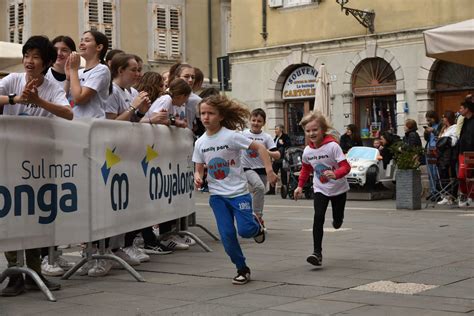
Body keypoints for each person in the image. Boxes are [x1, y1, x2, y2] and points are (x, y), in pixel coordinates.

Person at [0, 35, 72, 296]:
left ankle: (34, 271)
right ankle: (14, 272)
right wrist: (14, 100)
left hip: (39, 165)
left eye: (36, 57)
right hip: (9, 161)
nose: (29, 61)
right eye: (27, 55)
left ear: (47, 62)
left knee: (37, 215)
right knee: (10, 213)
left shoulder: (53, 87)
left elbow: (69, 113)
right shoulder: (12, 80)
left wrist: (39, 101)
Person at [193, 95, 277, 284]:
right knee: (227, 236)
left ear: (221, 115)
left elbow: (261, 149)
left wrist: (269, 170)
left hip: (238, 192)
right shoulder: (200, 143)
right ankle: (242, 268)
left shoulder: (231, 136)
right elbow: (198, 168)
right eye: (202, 113)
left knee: (246, 231)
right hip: (217, 197)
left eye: (210, 113)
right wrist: (197, 177)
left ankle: (256, 227)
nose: (205, 117)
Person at [294, 111, 350, 267]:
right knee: (318, 217)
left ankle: (338, 220)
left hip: (338, 188)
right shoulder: (307, 151)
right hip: (320, 189)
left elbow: (346, 167)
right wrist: (299, 186)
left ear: (322, 130)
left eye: (315, 130)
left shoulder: (333, 146)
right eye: (308, 131)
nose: (311, 133)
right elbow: (306, 169)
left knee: (337, 220)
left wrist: (336, 173)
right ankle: (316, 253)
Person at [242, 108, 280, 228]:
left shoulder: (266, 137)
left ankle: (257, 218)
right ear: (249, 120)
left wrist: (264, 151)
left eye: (259, 121)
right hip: (246, 168)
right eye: (253, 120)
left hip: (262, 170)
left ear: (263, 123)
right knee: (258, 187)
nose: (256, 123)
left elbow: (277, 155)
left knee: (259, 192)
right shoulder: (243, 134)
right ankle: (257, 216)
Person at [65, 30, 111, 119]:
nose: (81, 44)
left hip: (92, 124)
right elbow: (63, 99)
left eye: (87, 40)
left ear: (99, 47)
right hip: (75, 122)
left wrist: (73, 70)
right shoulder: (79, 72)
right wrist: (68, 78)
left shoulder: (102, 69)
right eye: (81, 40)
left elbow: (79, 99)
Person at [105, 53, 150, 121]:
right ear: (120, 71)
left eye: (138, 70)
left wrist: (141, 112)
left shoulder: (126, 91)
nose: (137, 74)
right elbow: (111, 124)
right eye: (133, 70)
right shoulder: (112, 91)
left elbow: (131, 121)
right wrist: (133, 107)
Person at [436, 111, 458, 205]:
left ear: (448, 118)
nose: (442, 119)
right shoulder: (444, 128)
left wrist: (444, 140)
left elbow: (453, 141)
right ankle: (445, 195)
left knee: (449, 175)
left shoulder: (454, 128)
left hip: (449, 156)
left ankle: (451, 196)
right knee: (443, 175)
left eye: (444, 117)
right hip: (442, 155)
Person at [457, 95, 474, 207]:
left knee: (471, 174)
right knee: (461, 176)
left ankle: (471, 197)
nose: (459, 110)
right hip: (462, 152)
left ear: (467, 109)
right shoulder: (464, 121)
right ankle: (464, 194)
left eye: (461, 108)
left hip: (472, 152)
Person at [267, 124, 291, 195]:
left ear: (281, 129)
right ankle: (272, 190)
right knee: (273, 173)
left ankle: (284, 191)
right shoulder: (276, 138)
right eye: (275, 129)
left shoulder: (285, 137)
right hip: (276, 159)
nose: (275, 131)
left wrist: (283, 143)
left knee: (284, 175)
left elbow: (289, 145)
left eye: (276, 129)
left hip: (283, 159)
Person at [423, 111, 442, 201]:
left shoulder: (440, 125)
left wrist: (433, 130)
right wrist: (426, 132)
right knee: (430, 172)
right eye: (427, 119)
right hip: (429, 148)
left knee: (435, 172)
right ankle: (432, 191)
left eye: (430, 119)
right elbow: (427, 138)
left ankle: (438, 192)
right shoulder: (430, 126)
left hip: (436, 149)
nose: (429, 121)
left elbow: (440, 135)